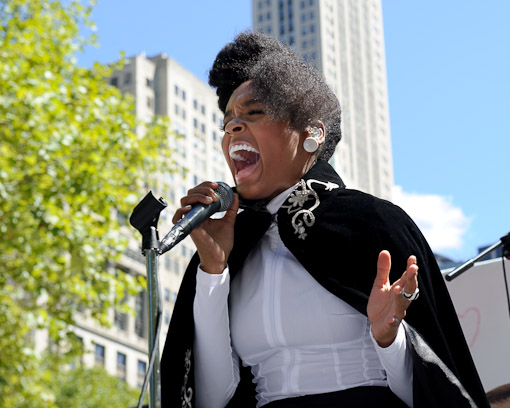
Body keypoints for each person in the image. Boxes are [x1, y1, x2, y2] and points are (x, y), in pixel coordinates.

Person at [160, 31, 489, 408]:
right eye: (228, 121)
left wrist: (389, 338)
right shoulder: (229, 245)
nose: (233, 127)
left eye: (254, 113)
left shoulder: (374, 223)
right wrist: (213, 271)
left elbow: (432, 391)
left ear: (311, 133)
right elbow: (214, 398)